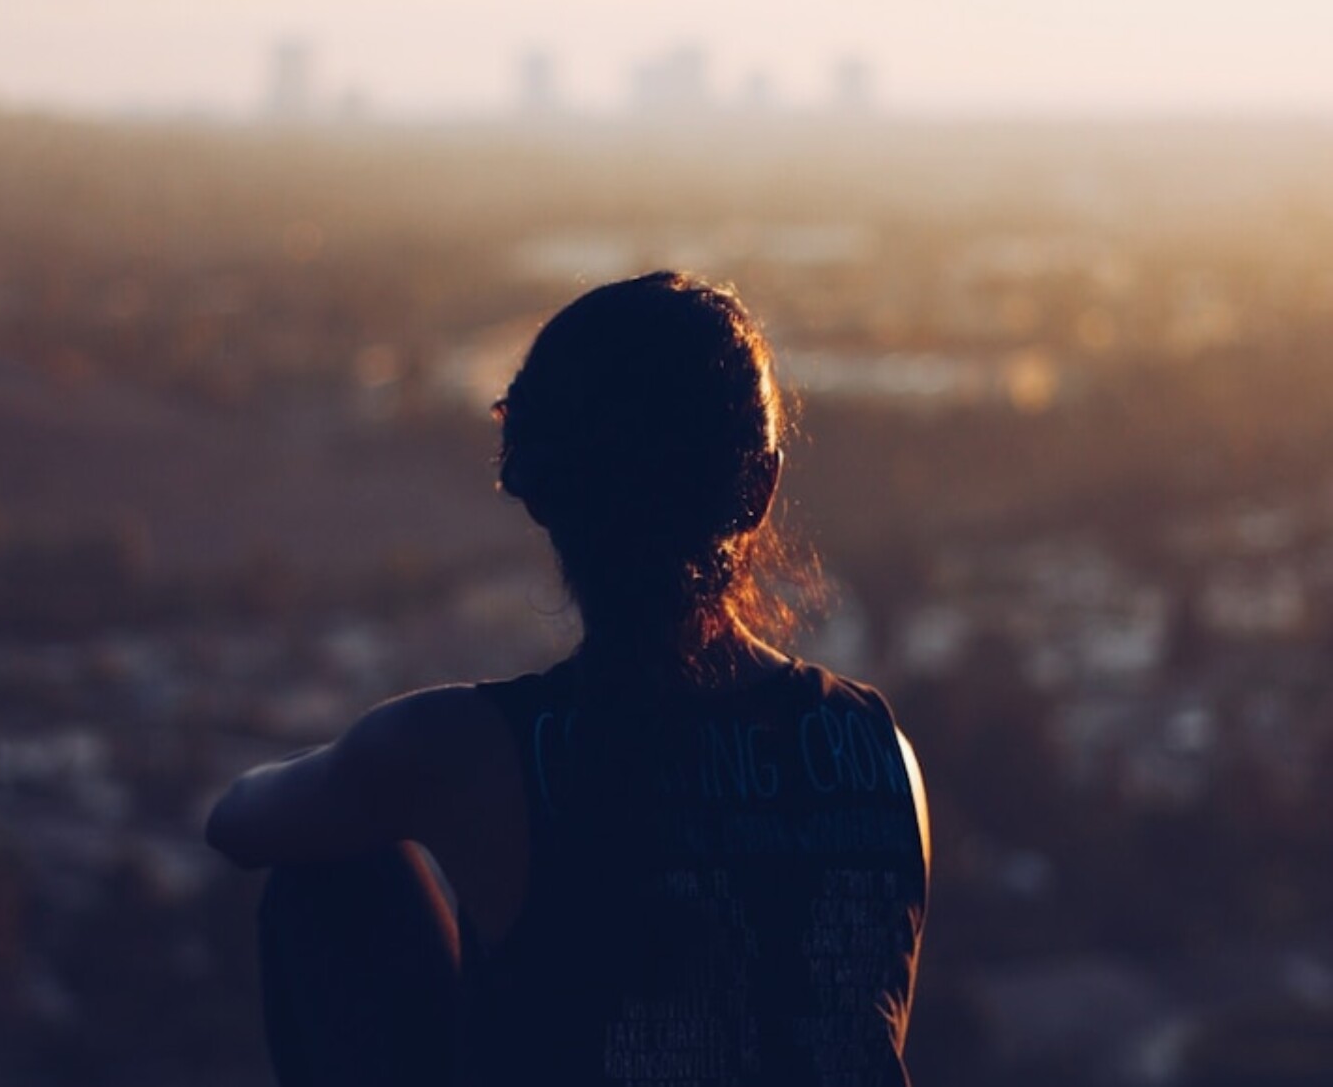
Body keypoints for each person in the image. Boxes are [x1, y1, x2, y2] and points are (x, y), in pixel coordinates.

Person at [206, 271, 931, 1087]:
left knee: (329, 870)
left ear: (541, 495)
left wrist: (371, 772)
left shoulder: (469, 754)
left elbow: (237, 823)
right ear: (759, 491)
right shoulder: (876, 752)